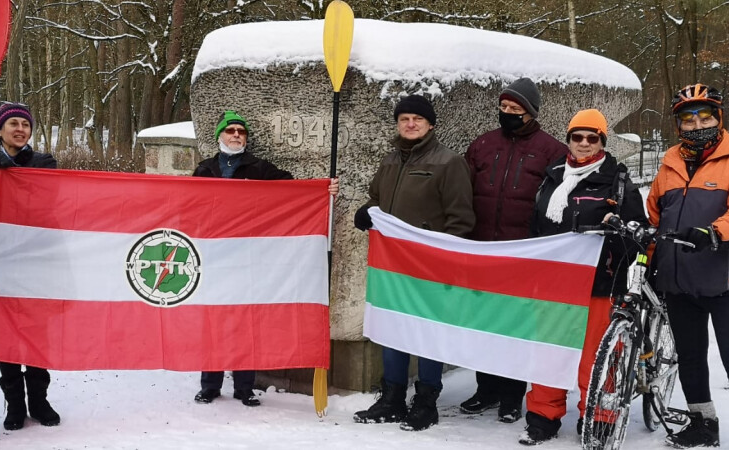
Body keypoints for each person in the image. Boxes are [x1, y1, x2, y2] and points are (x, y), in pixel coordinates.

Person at [648, 84, 729, 450]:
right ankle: (703, 423)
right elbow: (657, 212)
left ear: (719, 118)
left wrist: (713, 232)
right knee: (690, 358)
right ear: (678, 125)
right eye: (688, 119)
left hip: (727, 281)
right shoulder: (669, 161)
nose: (696, 124)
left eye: (705, 116)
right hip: (679, 281)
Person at [191, 110, 339, 407]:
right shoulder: (204, 170)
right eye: (230, 130)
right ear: (219, 135)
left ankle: (244, 387)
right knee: (214, 321)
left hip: (250, 257)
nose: (236, 135)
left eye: (241, 132)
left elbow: (294, 191)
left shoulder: (259, 168)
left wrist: (324, 189)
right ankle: (210, 385)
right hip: (214, 257)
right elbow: (189, 206)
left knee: (247, 321)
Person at [518, 108, 647, 445]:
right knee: (549, 351)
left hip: (598, 284)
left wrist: (612, 239)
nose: (585, 143)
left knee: (596, 356)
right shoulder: (553, 176)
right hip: (553, 284)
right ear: (569, 140)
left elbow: (636, 233)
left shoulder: (617, 181)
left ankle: (599, 415)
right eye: (578, 137)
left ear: (602, 141)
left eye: (593, 137)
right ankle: (543, 415)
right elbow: (536, 229)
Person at [352, 94, 475, 432]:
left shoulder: (448, 163)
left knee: (427, 333)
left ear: (430, 124)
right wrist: (367, 211)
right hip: (392, 266)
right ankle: (392, 397)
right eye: (404, 118)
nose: (410, 124)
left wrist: (448, 260)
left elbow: (461, 218)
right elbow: (377, 198)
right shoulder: (390, 161)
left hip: (430, 266)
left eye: (417, 119)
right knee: (393, 329)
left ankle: (425, 401)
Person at [461, 77, 567, 423]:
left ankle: (511, 395)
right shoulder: (482, 144)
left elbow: (558, 202)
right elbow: (462, 191)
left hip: (523, 253)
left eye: (515, 109)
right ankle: (485, 389)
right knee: (484, 324)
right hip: (482, 250)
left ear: (530, 113)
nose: (507, 113)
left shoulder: (551, 150)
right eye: (503, 107)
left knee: (516, 327)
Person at [0, 101, 61, 430]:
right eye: (13, 123)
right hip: (0, 265)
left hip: (37, 264)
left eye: (25, 124)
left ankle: (39, 398)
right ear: (0, 130)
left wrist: (10, 171)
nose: (20, 129)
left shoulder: (44, 163)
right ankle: (15, 403)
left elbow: (53, 203)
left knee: (36, 335)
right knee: (5, 333)